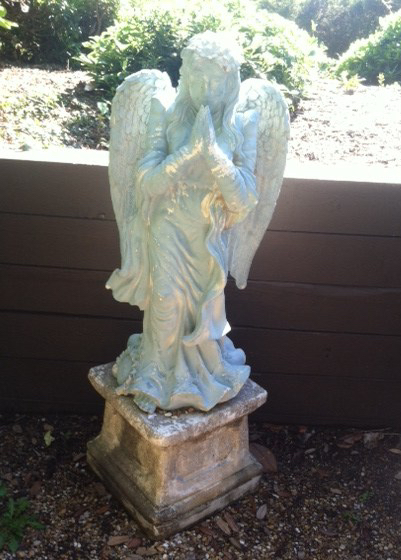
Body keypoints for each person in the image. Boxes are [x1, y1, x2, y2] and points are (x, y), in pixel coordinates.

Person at [107, 32, 260, 413]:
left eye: (215, 81)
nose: (205, 90)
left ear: (230, 81)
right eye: (197, 79)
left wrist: (214, 156)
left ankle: (200, 373)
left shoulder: (244, 121)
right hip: (168, 225)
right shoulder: (164, 110)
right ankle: (155, 375)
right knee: (166, 299)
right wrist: (188, 153)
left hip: (209, 234)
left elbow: (244, 200)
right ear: (185, 76)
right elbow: (147, 183)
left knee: (202, 309)